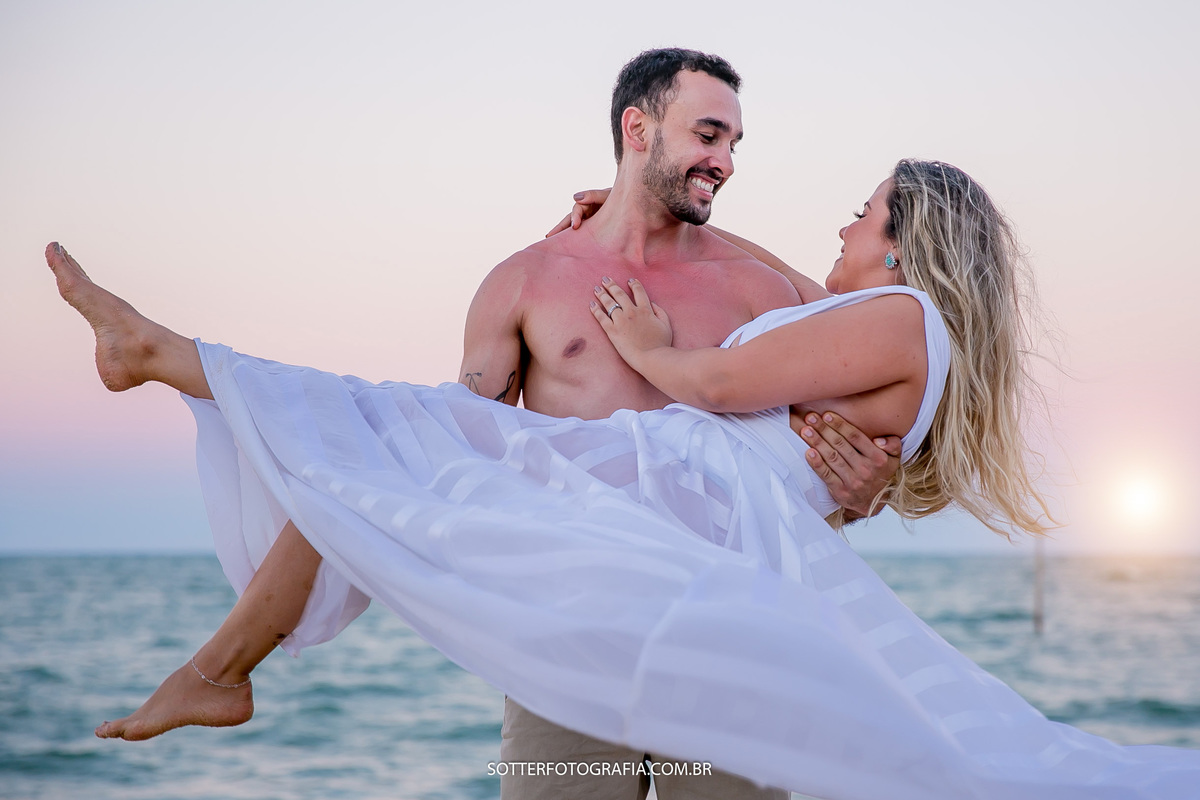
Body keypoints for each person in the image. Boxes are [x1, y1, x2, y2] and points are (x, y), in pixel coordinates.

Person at [47, 156, 1200, 798]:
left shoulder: (896, 314)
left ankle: (167, 369)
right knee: (400, 458)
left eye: (863, 210)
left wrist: (649, 344)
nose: (839, 221)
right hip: (664, 555)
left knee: (406, 447)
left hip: (685, 534)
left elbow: (710, 386)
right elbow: (832, 400)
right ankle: (217, 652)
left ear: (902, 239)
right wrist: (614, 228)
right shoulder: (873, 315)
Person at [74, 48, 900, 800]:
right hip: (569, 636)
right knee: (393, 435)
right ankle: (219, 656)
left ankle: (214, 634)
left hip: (732, 638)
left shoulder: (761, 293)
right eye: (709, 134)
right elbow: (446, 441)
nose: (724, 161)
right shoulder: (527, 281)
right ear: (637, 128)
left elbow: (835, 454)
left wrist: (869, 493)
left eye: (735, 144)